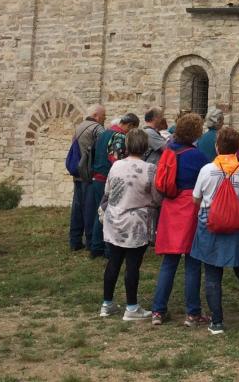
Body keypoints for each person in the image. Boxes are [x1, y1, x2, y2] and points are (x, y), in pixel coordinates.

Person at [191, 125, 239, 334]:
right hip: (237, 221)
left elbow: (196, 198)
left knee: (212, 272)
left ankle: (216, 322)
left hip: (210, 222)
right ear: (237, 149)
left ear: (217, 147)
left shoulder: (207, 170)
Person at [151, 112, 210, 327]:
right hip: (190, 206)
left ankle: (158, 310)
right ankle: (193, 313)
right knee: (193, 262)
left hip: (170, 206)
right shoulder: (197, 156)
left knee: (169, 262)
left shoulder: (168, 151)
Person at [99, 128, 161, 321]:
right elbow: (157, 198)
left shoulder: (116, 166)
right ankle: (131, 307)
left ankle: (106, 303)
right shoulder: (150, 169)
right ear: (145, 147)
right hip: (136, 223)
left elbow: (108, 190)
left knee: (113, 262)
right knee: (133, 265)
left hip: (114, 219)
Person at [89, 113, 139, 258]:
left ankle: (96, 246)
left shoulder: (105, 133)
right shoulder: (120, 136)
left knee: (100, 212)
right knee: (107, 213)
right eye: (133, 129)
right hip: (108, 178)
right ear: (130, 125)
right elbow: (117, 161)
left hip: (97, 176)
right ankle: (105, 249)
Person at [70, 105, 105, 252]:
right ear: (96, 115)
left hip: (78, 173)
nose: (104, 119)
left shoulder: (79, 127)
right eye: (104, 116)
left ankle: (75, 240)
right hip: (89, 174)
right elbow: (103, 148)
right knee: (90, 209)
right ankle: (91, 242)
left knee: (77, 209)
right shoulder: (97, 129)